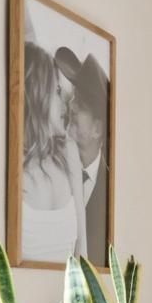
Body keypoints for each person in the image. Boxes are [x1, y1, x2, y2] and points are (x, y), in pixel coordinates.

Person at [17, 43, 81, 265]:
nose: (64, 99)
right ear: (39, 95)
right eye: (56, 90)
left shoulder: (68, 154)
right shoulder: (14, 170)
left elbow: (83, 257)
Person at [57, 48, 109, 259]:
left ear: (97, 129)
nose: (71, 106)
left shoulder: (111, 190)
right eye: (73, 98)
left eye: (81, 104)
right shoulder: (54, 168)